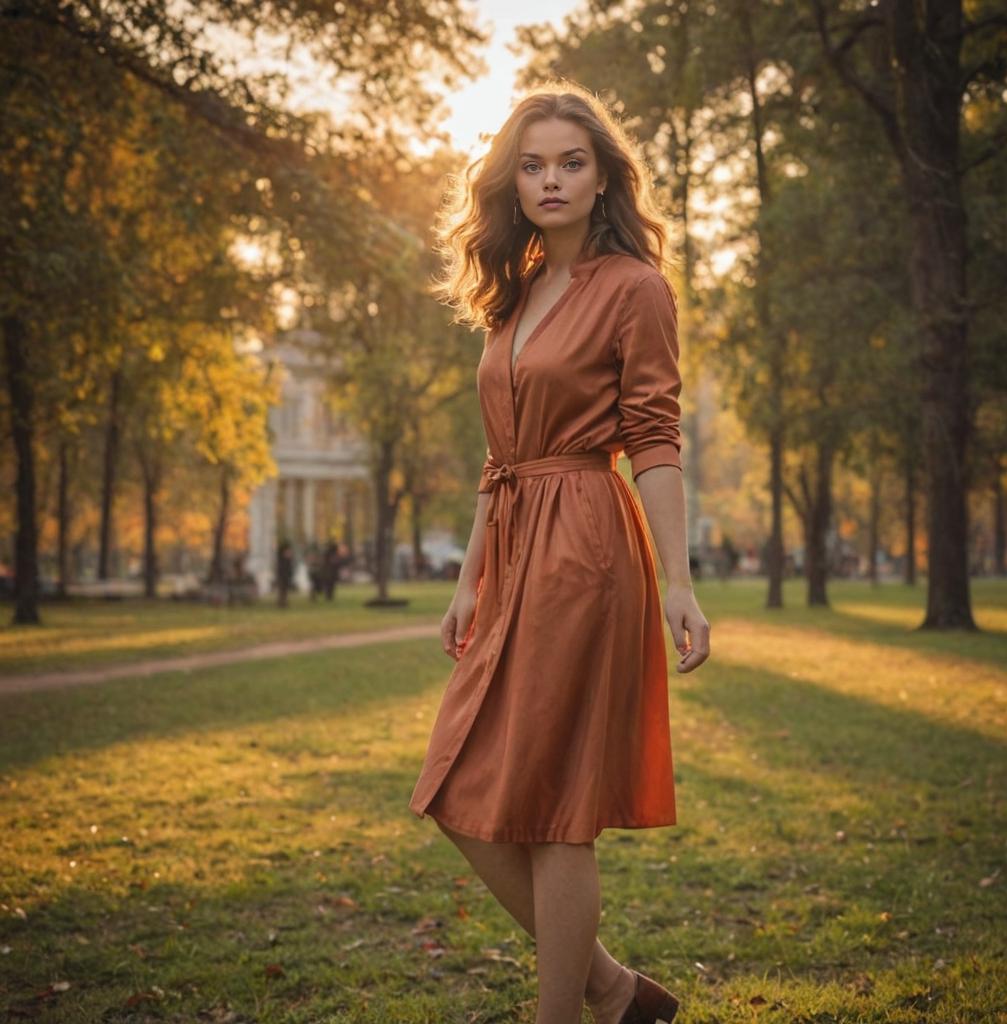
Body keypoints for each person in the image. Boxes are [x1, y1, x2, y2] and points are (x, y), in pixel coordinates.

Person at [407, 84, 711, 1024]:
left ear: (602, 176)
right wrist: (469, 583)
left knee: (554, 807)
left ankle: (571, 1015)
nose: (551, 179)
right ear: (512, 178)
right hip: (513, 547)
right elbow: (501, 460)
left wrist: (679, 587)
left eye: (571, 162)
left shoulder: (636, 288)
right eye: (533, 163)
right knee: (456, 792)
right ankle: (613, 992)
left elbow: (654, 441)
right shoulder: (517, 287)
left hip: (586, 544)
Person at [274, 540, 294, 609]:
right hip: (282, 574)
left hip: (284, 574)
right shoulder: (282, 558)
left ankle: (283, 602)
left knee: (284, 589)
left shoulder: (284, 558)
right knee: (282, 589)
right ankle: (281, 603)